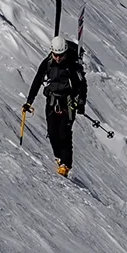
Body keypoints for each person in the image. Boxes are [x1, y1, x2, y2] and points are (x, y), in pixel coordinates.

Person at [22, 34, 87, 176]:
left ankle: (65, 164)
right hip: (52, 101)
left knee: (64, 133)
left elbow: (82, 85)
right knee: (52, 133)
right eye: (55, 55)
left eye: (61, 55)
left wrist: (81, 103)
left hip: (68, 102)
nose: (58, 58)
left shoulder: (72, 66)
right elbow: (37, 81)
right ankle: (59, 157)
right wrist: (29, 101)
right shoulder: (48, 63)